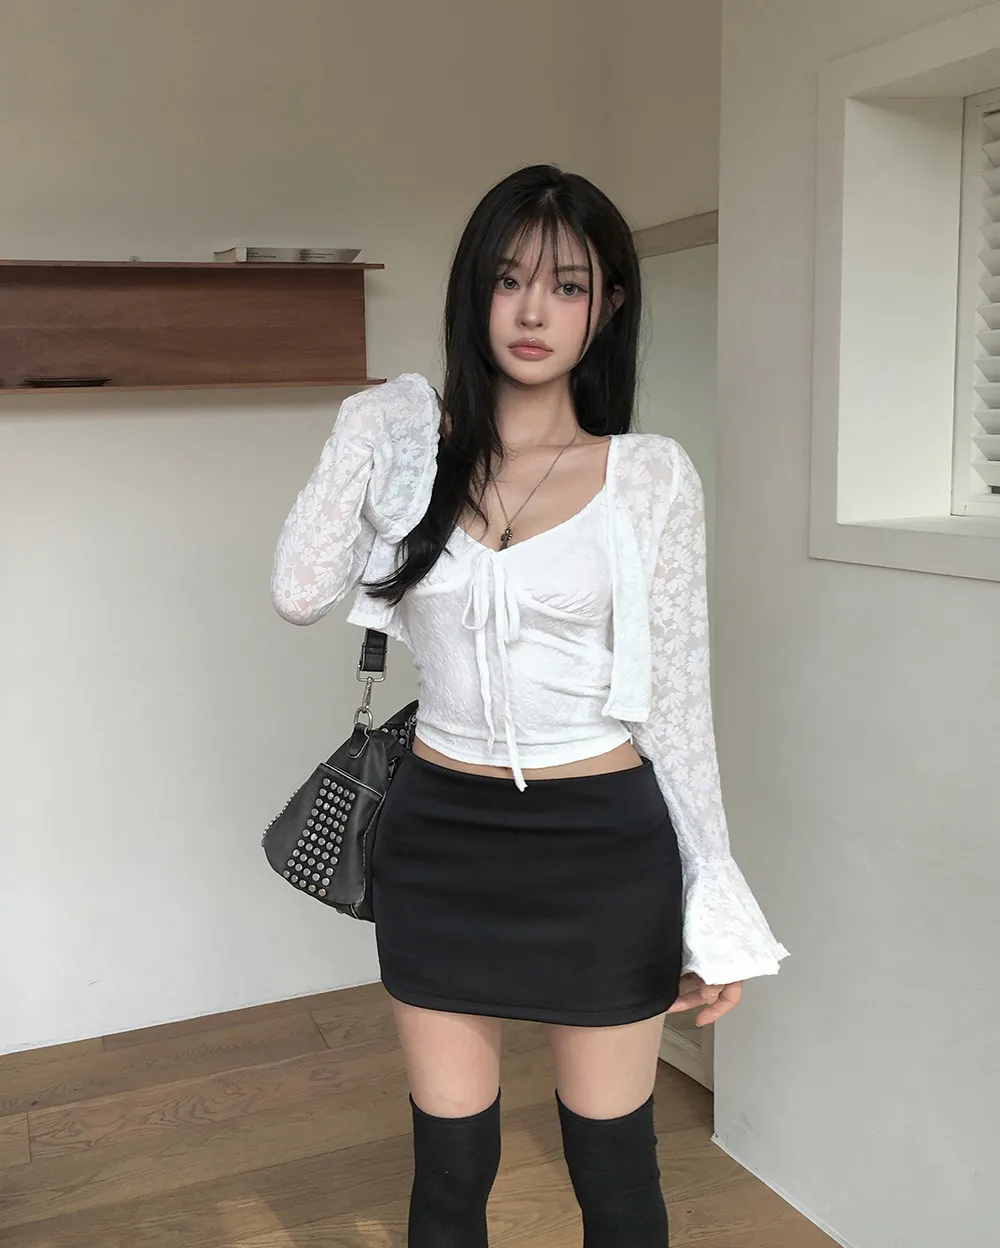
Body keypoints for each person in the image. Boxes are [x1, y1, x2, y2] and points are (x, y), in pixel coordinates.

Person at [270, 164, 789, 1248]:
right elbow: (299, 592)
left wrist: (714, 895)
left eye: (567, 284)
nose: (533, 311)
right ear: (476, 293)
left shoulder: (647, 476)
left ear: (607, 305)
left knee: (615, 1175)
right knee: (449, 1173)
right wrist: (366, 422)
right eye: (509, 281)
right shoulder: (412, 460)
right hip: (438, 841)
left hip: (602, 848)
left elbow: (679, 702)